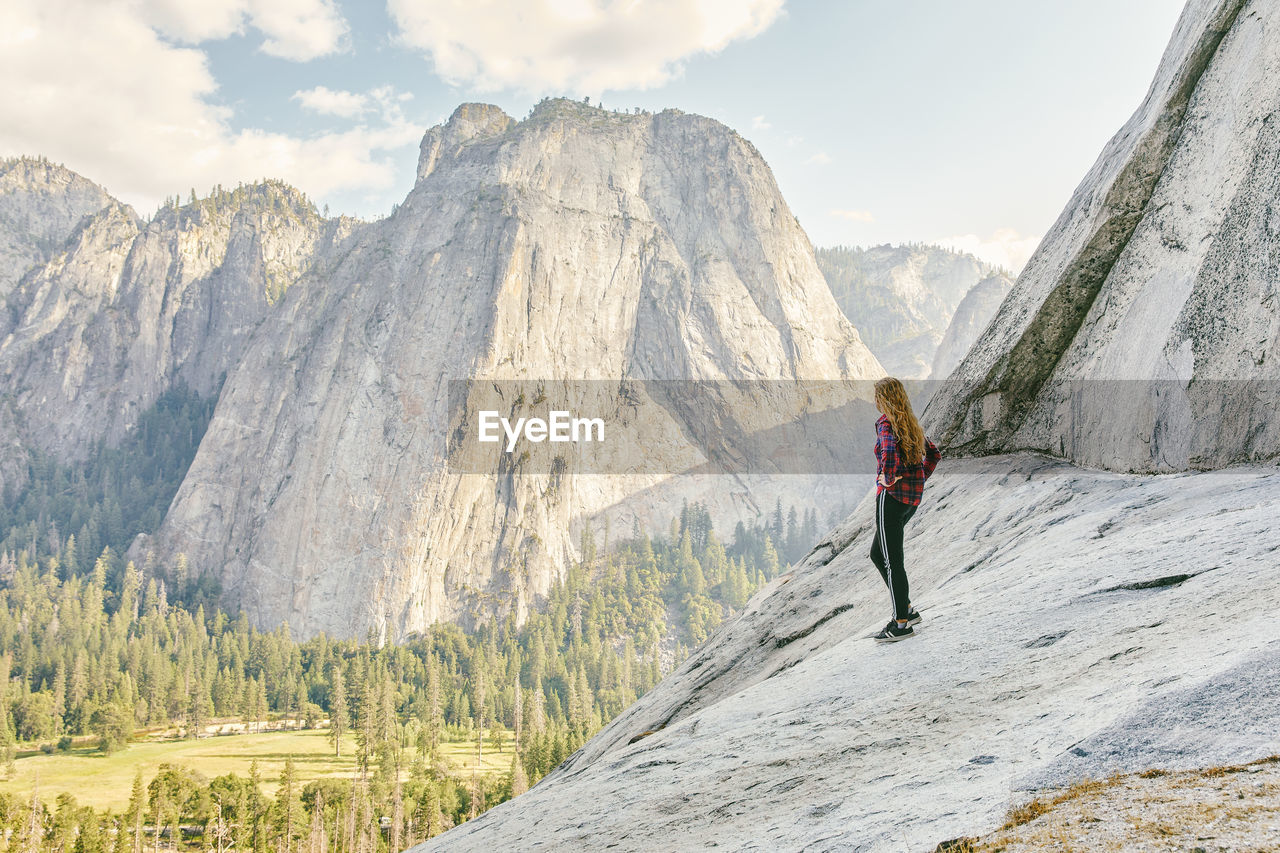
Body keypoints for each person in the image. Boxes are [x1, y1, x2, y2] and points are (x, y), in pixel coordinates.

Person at [870, 376, 941, 642]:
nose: (874, 401)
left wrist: (888, 478)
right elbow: (934, 454)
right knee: (878, 554)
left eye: (876, 396)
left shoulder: (887, 425)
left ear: (883, 400)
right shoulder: (911, 424)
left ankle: (901, 623)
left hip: (890, 499)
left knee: (892, 562)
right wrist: (919, 477)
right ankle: (907, 609)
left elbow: (888, 453)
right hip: (911, 500)